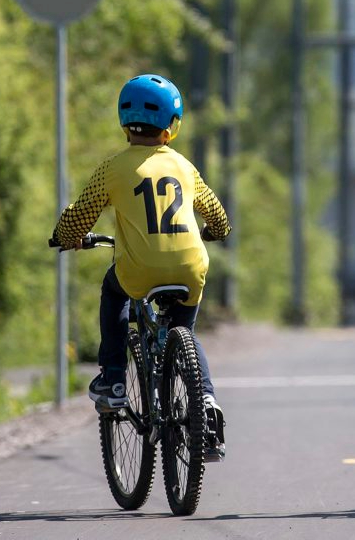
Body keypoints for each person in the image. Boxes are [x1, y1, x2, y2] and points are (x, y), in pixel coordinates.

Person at [52, 73, 231, 457]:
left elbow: (79, 218)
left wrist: (67, 237)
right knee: (186, 330)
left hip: (139, 270)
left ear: (123, 121)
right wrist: (212, 231)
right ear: (172, 125)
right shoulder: (184, 166)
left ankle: (114, 379)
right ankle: (207, 403)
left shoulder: (113, 168)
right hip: (190, 267)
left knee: (112, 289)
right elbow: (218, 216)